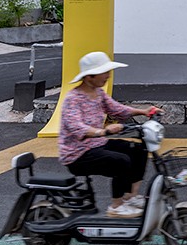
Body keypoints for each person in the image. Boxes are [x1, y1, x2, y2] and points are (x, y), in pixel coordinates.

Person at [58, 51, 160, 218]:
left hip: (97, 145)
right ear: (89, 77)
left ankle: (130, 197)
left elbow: (116, 109)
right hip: (77, 154)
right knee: (121, 161)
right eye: (104, 72)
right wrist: (103, 131)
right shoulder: (73, 99)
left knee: (138, 150)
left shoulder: (98, 93)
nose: (108, 75)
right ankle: (116, 206)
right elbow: (76, 127)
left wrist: (143, 111)